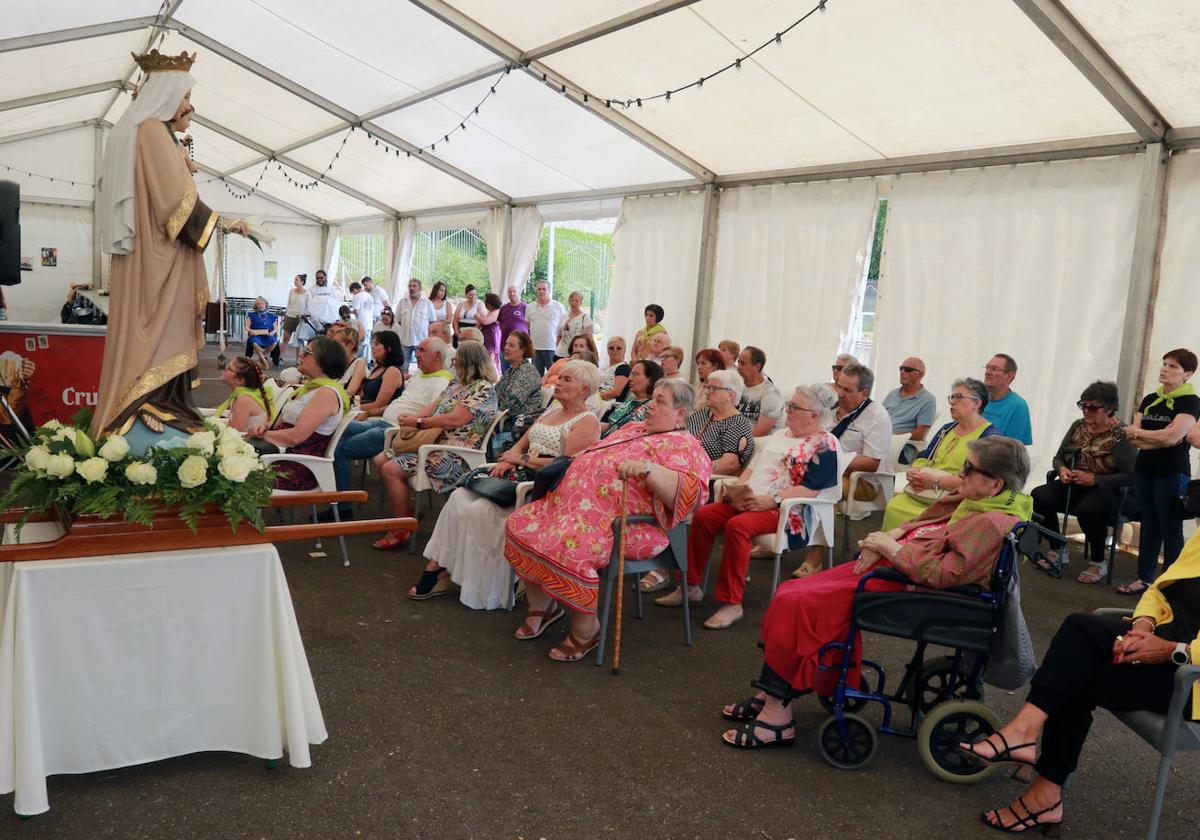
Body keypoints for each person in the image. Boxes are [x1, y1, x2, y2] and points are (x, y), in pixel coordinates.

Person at [718, 436, 1032, 749]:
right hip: (895, 570)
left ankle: (778, 718)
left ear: (995, 484)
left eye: (969, 468)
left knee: (796, 600)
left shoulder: (991, 521)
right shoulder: (977, 501)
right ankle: (772, 690)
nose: (960, 474)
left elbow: (940, 573)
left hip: (909, 585)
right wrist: (885, 537)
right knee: (793, 589)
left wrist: (888, 547)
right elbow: (921, 522)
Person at [965, 528, 1200, 836]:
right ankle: (1041, 785)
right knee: (1077, 651)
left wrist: (1174, 651)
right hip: (1158, 646)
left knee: (1076, 666)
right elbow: (1160, 589)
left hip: (1190, 680)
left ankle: (1033, 761)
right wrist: (1144, 624)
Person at [92, 50, 251, 438]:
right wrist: (224, 224)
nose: (190, 106)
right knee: (158, 332)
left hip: (158, 257)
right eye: (184, 97)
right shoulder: (150, 131)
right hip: (157, 262)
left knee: (160, 331)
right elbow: (174, 204)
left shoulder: (148, 132)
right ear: (165, 96)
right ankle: (149, 405)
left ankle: (160, 405)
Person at [504, 379, 711, 662]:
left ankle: (587, 631)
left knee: (569, 547)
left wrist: (649, 469)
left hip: (626, 524)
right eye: (653, 398)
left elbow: (691, 495)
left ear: (681, 414)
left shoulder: (687, 446)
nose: (651, 405)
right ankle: (544, 608)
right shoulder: (632, 429)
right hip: (570, 510)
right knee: (521, 526)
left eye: (660, 401)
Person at [409, 360, 601, 606]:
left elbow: (565, 465)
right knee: (458, 497)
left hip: (542, 487)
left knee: (480, 510)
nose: (557, 383)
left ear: (585, 389)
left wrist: (521, 459)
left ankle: (483, 585)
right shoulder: (552, 411)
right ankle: (439, 566)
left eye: (567, 380)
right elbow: (523, 442)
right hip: (517, 475)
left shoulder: (586, 421)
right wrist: (509, 460)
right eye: (559, 377)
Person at [659, 384, 840, 629]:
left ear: (814, 415)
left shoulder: (825, 444)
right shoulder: (780, 435)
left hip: (788, 511)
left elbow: (811, 490)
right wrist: (736, 490)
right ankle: (690, 585)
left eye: (794, 406)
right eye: (790, 404)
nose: (787, 410)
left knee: (738, 526)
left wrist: (772, 500)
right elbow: (752, 470)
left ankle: (732, 603)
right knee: (704, 516)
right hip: (751, 501)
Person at [372, 341, 499, 549]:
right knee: (381, 459)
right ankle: (408, 513)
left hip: (454, 453)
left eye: (457, 360)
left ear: (469, 362)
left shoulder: (483, 390)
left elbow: (456, 420)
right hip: (435, 443)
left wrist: (420, 423)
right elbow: (434, 407)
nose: (453, 363)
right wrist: (412, 418)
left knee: (390, 468)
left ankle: (402, 527)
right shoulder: (458, 383)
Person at [1030, 381, 1135, 584]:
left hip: (1106, 489)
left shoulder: (1122, 434)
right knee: (1040, 495)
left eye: (1093, 407)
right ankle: (1057, 549)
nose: (1086, 411)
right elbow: (1058, 457)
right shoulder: (1078, 426)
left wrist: (1095, 479)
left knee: (1090, 510)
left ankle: (1098, 562)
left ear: (1110, 409)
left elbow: (1131, 476)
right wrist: (1062, 470)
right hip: (1075, 483)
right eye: (1083, 405)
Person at [332, 336, 454, 502]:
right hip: (382, 421)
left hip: (395, 431)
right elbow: (396, 403)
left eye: (422, 350)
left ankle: (341, 506)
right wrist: (370, 412)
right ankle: (328, 489)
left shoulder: (441, 382)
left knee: (340, 449)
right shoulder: (420, 374)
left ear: (437, 356)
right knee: (336, 429)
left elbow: (433, 418)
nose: (416, 354)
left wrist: (409, 420)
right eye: (417, 349)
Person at [1119, 348, 1200, 595]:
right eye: (1164, 364)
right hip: (1144, 469)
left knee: (1170, 527)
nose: (1164, 369)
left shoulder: (1190, 402)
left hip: (1172, 472)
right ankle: (1144, 578)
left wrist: (1145, 435)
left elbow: (1174, 437)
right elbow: (1133, 437)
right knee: (1150, 525)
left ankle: (1171, 584)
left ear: (1188, 373)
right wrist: (1155, 437)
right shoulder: (1149, 399)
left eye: (1173, 366)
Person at [882, 377, 999, 530]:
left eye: (959, 397)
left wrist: (936, 481)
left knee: (919, 518)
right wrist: (914, 472)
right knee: (894, 506)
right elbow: (925, 457)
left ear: (977, 403)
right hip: (925, 490)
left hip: (956, 498)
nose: (952, 402)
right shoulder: (947, 429)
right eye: (952, 397)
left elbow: (978, 483)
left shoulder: (989, 436)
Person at [247, 336, 349, 491]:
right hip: (280, 453)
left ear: (323, 362)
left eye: (307, 353)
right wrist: (262, 428)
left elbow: (296, 437)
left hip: (295, 467)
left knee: (230, 472)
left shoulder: (326, 394)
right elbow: (277, 424)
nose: (300, 355)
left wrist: (263, 435)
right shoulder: (310, 388)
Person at [828, 362, 892, 505]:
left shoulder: (877, 416)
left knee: (817, 487)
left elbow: (871, 463)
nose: (839, 393)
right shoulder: (831, 406)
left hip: (860, 481)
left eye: (847, 390)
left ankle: (815, 526)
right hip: (830, 472)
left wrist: (830, 462)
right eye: (838, 386)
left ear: (865, 393)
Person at [686, 368, 755, 477]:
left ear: (730, 395)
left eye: (713, 388)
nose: (706, 392)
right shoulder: (702, 414)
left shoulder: (737, 423)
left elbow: (730, 464)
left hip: (702, 479)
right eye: (707, 387)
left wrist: (691, 469)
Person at [489, 330, 544, 455]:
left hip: (518, 428)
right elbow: (493, 394)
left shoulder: (527, 372)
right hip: (504, 422)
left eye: (511, 345)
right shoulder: (511, 371)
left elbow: (511, 405)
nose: (506, 348)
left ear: (522, 350)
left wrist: (488, 419)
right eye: (506, 344)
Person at [882, 356, 937, 463]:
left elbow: (920, 434)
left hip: (899, 449)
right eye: (901, 368)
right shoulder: (893, 394)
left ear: (921, 374)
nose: (902, 372)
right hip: (880, 441)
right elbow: (878, 418)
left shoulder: (927, 400)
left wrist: (893, 437)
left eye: (908, 370)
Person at [603, 359, 662, 438]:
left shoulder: (652, 408)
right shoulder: (631, 398)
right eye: (631, 374)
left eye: (635, 374)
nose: (630, 378)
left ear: (650, 379)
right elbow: (612, 425)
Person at [982, 354, 1033, 444]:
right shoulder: (975, 398)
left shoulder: (1018, 406)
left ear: (1009, 376)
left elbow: (1014, 450)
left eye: (994, 369)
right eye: (987, 368)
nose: (987, 372)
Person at [213, 356, 272, 433]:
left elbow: (232, 434)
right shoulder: (241, 395)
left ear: (240, 380)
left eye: (229, 368)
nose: (224, 369)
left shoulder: (244, 400)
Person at [736, 346, 785, 437]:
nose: (738, 367)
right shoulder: (738, 386)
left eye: (742, 363)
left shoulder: (770, 394)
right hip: (737, 439)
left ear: (757, 366)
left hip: (758, 443)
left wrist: (733, 441)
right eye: (738, 362)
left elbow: (761, 432)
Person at [394, 277, 435, 366]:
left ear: (420, 288)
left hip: (422, 341)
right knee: (403, 366)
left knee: (422, 367)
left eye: (414, 286)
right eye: (410, 286)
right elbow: (398, 321)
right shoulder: (402, 302)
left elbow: (432, 323)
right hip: (405, 341)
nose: (412, 288)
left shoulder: (427, 303)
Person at [526, 280, 564, 374]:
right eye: (539, 289)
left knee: (554, 376)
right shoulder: (530, 307)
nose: (541, 291)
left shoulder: (558, 306)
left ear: (549, 291)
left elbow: (564, 327)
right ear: (536, 291)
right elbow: (528, 325)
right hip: (535, 348)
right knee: (536, 379)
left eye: (544, 289)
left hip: (552, 348)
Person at [280, 274, 311, 364]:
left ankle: (298, 359)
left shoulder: (307, 293)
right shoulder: (291, 291)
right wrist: (285, 317)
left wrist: (304, 316)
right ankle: (280, 357)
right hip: (290, 316)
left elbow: (309, 307)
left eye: (296, 280)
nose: (294, 281)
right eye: (294, 280)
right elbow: (289, 305)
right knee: (285, 338)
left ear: (302, 281)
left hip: (300, 318)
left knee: (298, 341)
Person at [555, 290, 593, 360]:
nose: (574, 303)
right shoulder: (563, 316)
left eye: (576, 301)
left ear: (581, 302)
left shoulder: (585, 317)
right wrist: (556, 348)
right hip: (561, 353)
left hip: (576, 354)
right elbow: (559, 335)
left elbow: (589, 338)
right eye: (572, 300)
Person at [244, 296, 280, 370]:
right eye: (259, 304)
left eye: (262, 304)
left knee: (274, 342)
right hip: (256, 335)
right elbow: (247, 327)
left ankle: (259, 360)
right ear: (256, 306)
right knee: (254, 343)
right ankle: (265, 363)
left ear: (265, 305)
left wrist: (273, 332)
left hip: (267, 335)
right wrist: (251, 331)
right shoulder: (251, 315)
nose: (261, 305)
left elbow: (276, 328)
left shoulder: (271, 316)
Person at [497, 286, 529, 367]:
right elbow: (500, 323)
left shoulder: (526, 307)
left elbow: (530, 324)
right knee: (505, 370)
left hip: (521, 345)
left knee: (521, 370)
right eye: (510, 292)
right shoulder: (503, 308)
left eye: (514, 291)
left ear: (518, 293)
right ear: (507, 294)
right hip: (505, 344)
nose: (512, 294)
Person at [333, 327, 366, 398]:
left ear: (351, 344)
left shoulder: (359, 363)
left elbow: (351, 391)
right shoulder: (338, 362)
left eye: (338, 343)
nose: (334, 346)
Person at [599, 337, 631, 402]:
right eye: (611, 348)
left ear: (624, 350)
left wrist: (594, 399)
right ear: (607, 351)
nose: (615, 350)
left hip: (610, 405)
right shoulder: (604, 368)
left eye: (619, 348)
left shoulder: (623, 368)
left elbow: (616, 392)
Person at [479, 292, 503, 370]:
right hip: (486, 338)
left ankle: (493, 376)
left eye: (486, 302)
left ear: (490, 303)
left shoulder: (496, 311)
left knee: (491, 359)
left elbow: (485, 321)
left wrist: (476, 316)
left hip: (492, 337)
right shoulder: (490, 311)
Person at [349, 280, 375, 350]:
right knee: (367, 345)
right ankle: (367, 359)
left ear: (354, 289)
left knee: (362, 345)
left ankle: (363, 360)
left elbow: (356, 311)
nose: (353, 294)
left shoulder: (357, 296)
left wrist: (349, 311)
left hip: (362, 324)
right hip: (369, 324)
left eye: (352, 292)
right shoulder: (368, 295)